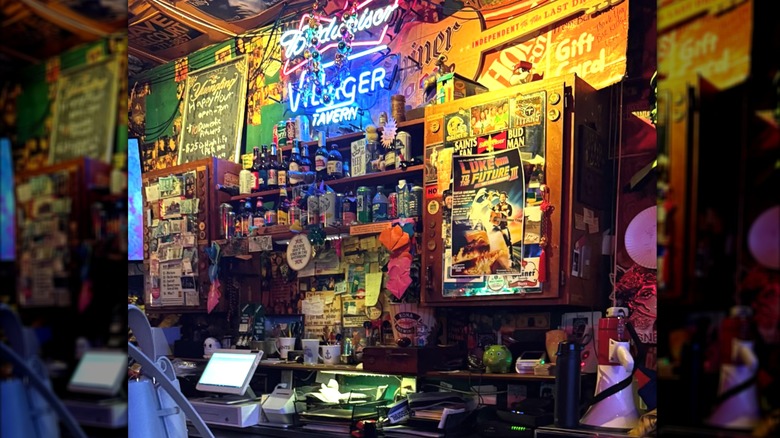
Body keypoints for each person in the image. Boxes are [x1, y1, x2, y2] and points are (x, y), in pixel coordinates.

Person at [491, 191, 514, 263]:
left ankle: (510, 259)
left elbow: (509, 214)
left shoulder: (508, 206)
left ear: (505, 198)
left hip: (504, 226)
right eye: (501, 197)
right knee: (492, 242)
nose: (502, 198)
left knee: (508, 242)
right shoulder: (496, 206)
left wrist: (503, 212)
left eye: (503, 197)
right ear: (499, 198)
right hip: (496, 227)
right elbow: (491, 215)